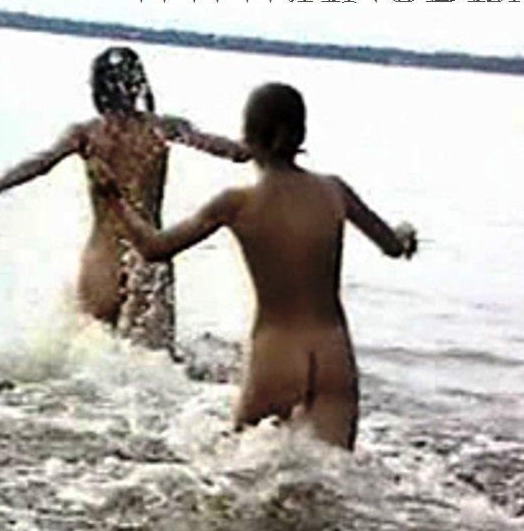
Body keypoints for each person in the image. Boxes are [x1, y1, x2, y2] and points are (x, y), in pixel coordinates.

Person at [104, 83, 417, 449]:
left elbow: (154, 248)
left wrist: (112, 198)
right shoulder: (335, 191)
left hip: (276, 353)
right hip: (334, 356)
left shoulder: (238, 203)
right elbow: (393, 246)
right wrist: (405, 234)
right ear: (300, 134)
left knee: (239, 466)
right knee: (335, 470)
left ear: (248, 136)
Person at [0, 46, 249, 353]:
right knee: (153, 361)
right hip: (148, 257)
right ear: (139, 85)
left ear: (97, 87)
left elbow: (40, 164)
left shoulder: (86, 134)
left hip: (102, 260)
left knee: (89, 357)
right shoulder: (163, 128)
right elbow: (234, 152)